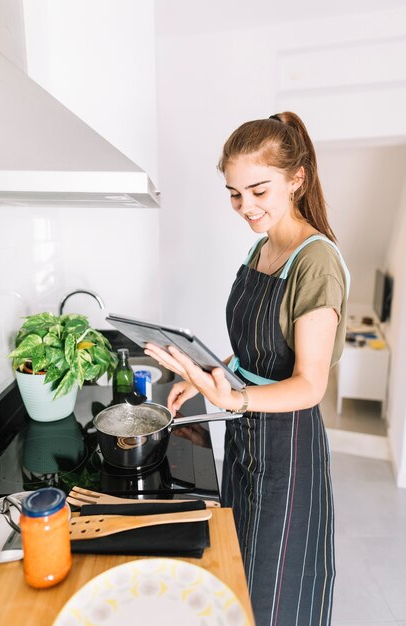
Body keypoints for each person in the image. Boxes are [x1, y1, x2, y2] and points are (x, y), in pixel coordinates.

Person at [144, 111, 350, 626]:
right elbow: (258, 352)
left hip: (287, 448)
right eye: (235, 194)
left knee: (273, 600)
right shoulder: (262, 248)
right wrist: (205, 374)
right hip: (245, 440)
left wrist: (231, 398)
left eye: (258, 190)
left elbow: (309, 384)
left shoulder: (315, 262)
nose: (246, 207)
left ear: (296, 178)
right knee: (238, 579)